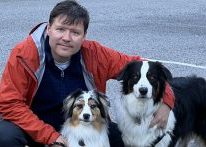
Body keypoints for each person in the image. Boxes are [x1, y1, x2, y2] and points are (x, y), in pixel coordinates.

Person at [0, 0, 175, 146]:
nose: (67, 38)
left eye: (75, 32)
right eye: (61, 29)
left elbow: (143, 65)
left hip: (82, 122)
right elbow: (9, 103)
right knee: (5, 137)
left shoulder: (95, 53)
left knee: (122, 140)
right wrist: (51, 136)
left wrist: (167, 101)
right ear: (49, 29)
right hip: (34, 126)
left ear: (84, 36)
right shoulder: (25, 54)